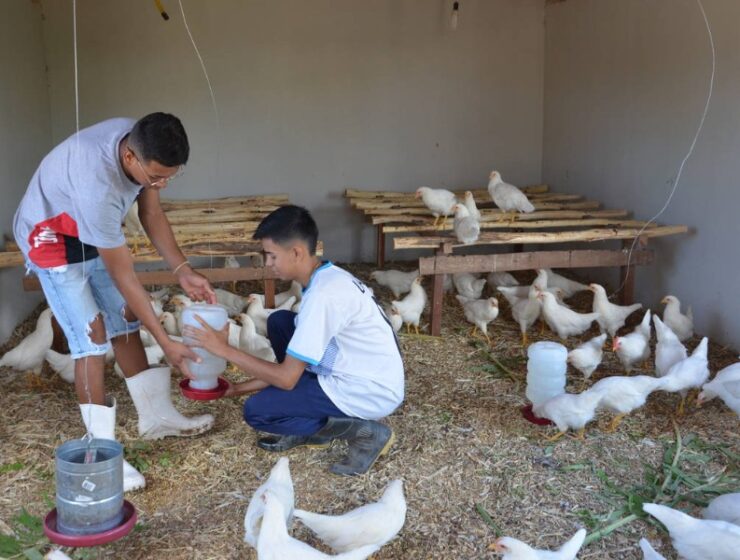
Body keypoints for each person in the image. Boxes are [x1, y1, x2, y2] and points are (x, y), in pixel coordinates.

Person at [13, 113, 217, 491]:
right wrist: (166, 342)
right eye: (156, 177)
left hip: (85, 224)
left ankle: (157, 418)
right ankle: (101, 454)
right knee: (90, 338)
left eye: (170, 176)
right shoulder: (98, 188)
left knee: (124, 320)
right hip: (50, 236)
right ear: (129, 159)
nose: (161, 183)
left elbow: (151, 212)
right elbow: (126, 278)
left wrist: (182, 269)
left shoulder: (143, 142)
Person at [184, 205, 404, 476]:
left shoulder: (323, 296)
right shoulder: (327, 276)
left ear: (296, 252)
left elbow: (287, 378)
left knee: (259, 412)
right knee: (280, 322)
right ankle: (310, 419)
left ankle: (366, 432)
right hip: (362, 369)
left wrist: (223, 349)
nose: (268, 264)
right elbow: (290, 371)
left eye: (272, 256)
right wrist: (235, 389)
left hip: (369, 390)